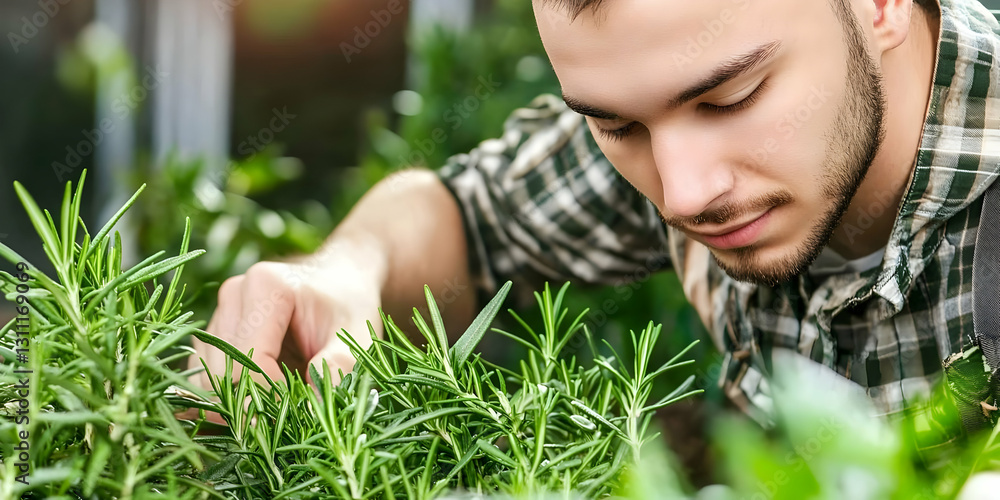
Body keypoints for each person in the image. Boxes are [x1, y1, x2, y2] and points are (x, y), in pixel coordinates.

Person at [190, 0, 1000, 427]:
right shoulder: (676, 141)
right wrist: (342, 273)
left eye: (731, 97)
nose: (682, 194)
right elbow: (467, 214)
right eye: (617, 124)